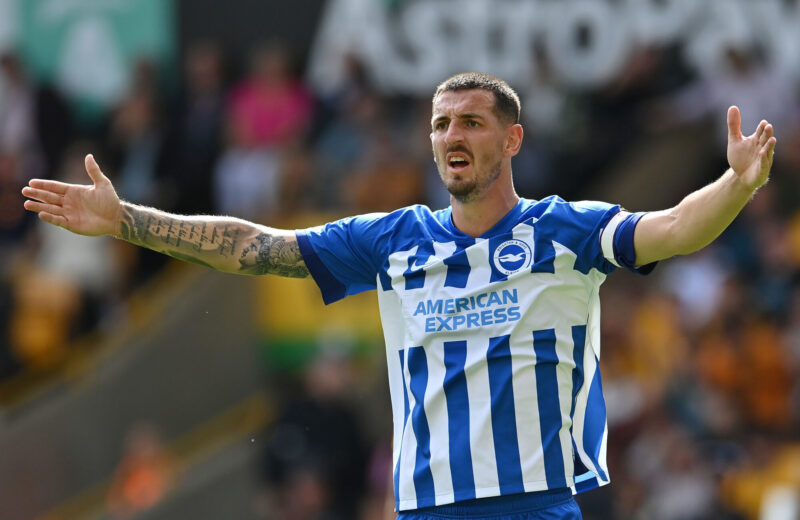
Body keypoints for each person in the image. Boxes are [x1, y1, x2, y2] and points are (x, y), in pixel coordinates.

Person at [22, 72, 776, 520]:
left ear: (512, 139)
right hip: (425, 510)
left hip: (536, 507)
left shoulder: (562, 232)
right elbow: (256, 246)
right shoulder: (395, 240)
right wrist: (127, 221)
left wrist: (736, 186)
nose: (452, 135)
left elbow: (675, 228)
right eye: (441, 124)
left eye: (472, 122)